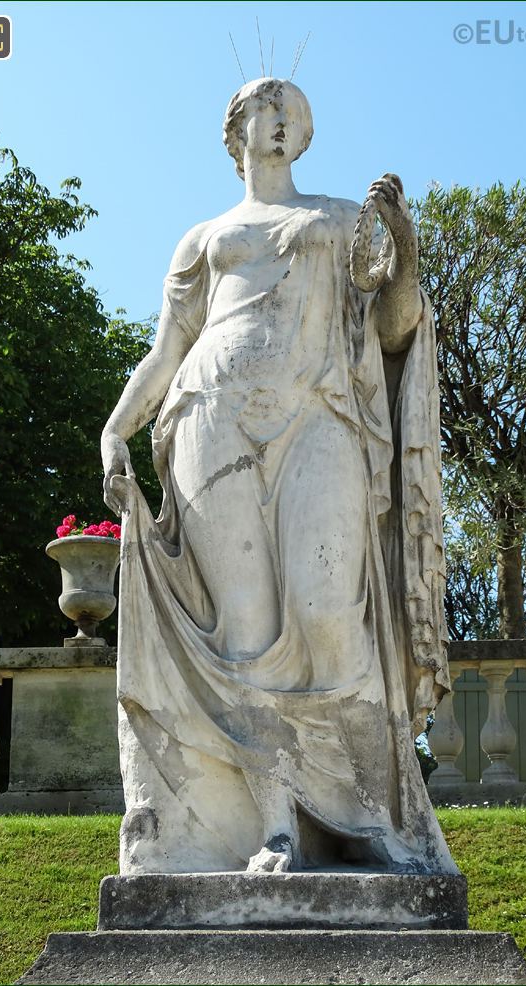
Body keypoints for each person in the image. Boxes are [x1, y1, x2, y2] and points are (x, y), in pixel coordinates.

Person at [102, 77, 457, 876]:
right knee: (246, 633)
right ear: (236, 131)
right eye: (268, 107)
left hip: (320, 418)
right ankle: (276, 828)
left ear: (303, 136)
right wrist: (115, 429)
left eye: (294, 111)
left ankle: (372, 819)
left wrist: (402, 254)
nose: (282, 119)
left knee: (330, 614)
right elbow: (167, 351)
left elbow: (395, 328)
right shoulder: (202, 240)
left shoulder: (336, 220)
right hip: (209, 421)